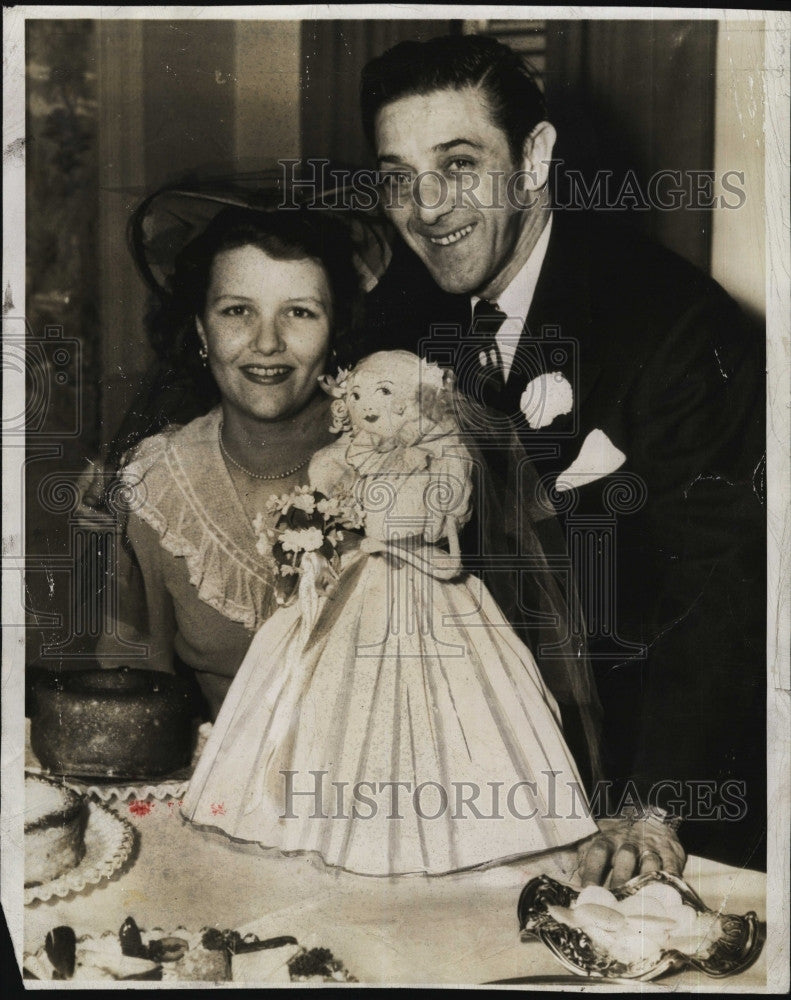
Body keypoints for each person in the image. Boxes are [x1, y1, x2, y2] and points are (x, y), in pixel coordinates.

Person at [357, 34, 766, 875]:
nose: (426, 206)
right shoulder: (395, 313)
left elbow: (720, 588)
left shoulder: (676, 325)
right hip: (459, 778)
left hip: (628, 791)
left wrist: (653, 807)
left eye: (460, 162)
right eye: (398, 175)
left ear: (535, 157)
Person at [182, 350, 600, 876]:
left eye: (384, 393)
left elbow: (426, 517)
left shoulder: (445, 454)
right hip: (359, 583)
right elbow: (338, 514)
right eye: (356, 394)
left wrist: (387, 502)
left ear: (417, 399)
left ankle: (457, 834)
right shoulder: (338, 457)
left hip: (429, 588)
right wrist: (314, 527)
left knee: (449, 712)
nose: (366, 406)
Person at [93, 205, 365, 719]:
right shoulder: (158, 484)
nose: (267, 343)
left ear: (335, 332)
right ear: (201, 330)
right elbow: (132, 695)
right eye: (237, 310)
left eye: (300, 312)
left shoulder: (388, 463)